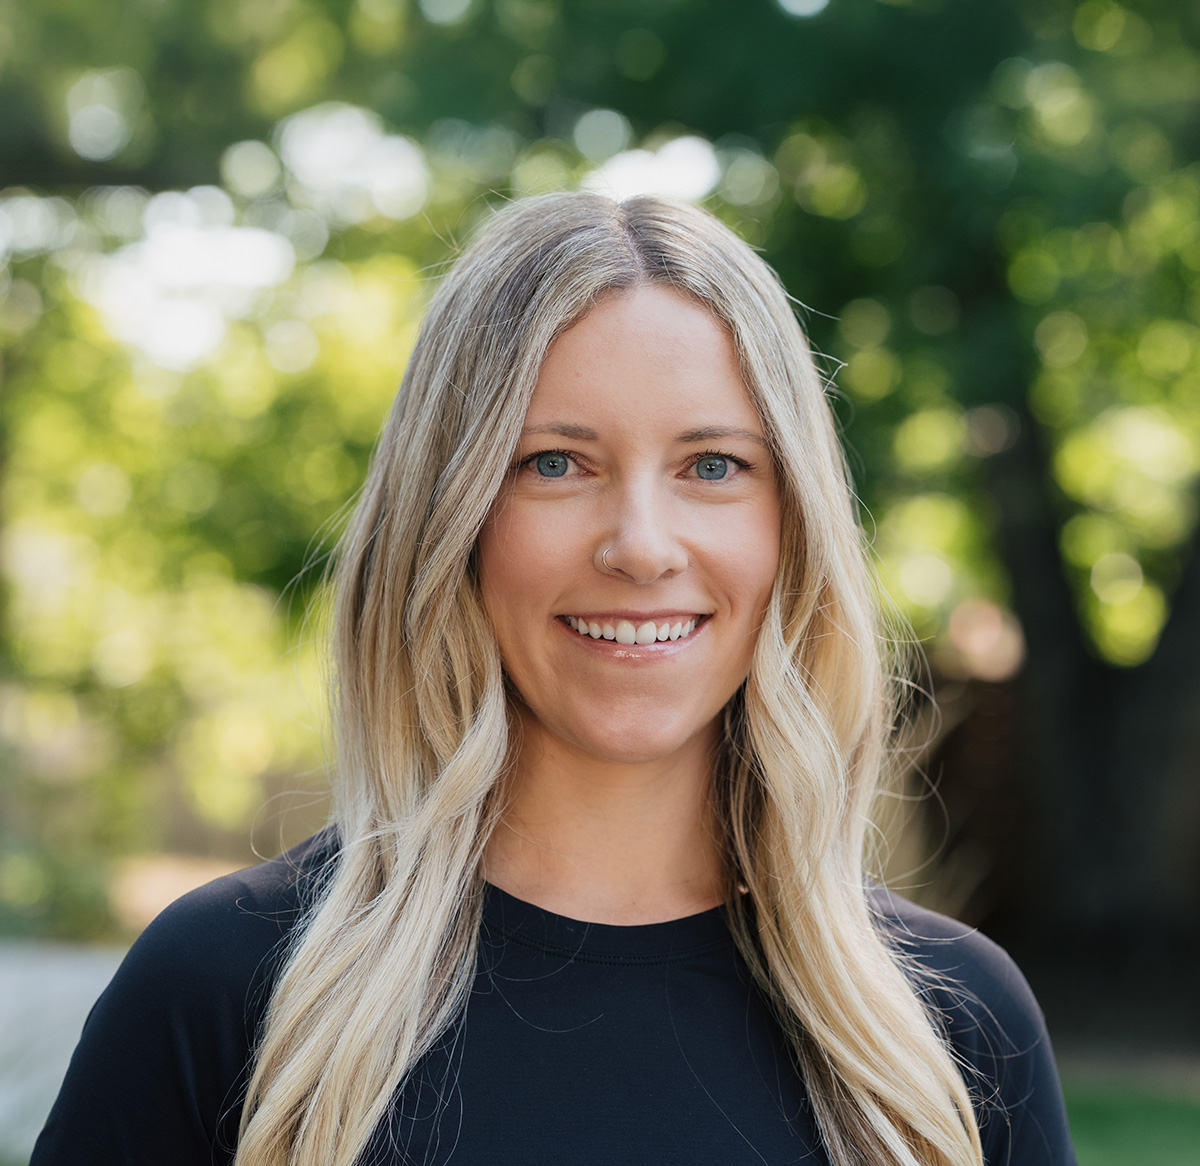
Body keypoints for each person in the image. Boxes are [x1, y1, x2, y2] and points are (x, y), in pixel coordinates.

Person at [33, 192, 1077, 1166]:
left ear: (792, 527)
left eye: (713, 465)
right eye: (554, 463)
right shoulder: (225, 992)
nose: (641, 545)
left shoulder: (952, 1029)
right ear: (449, 520)